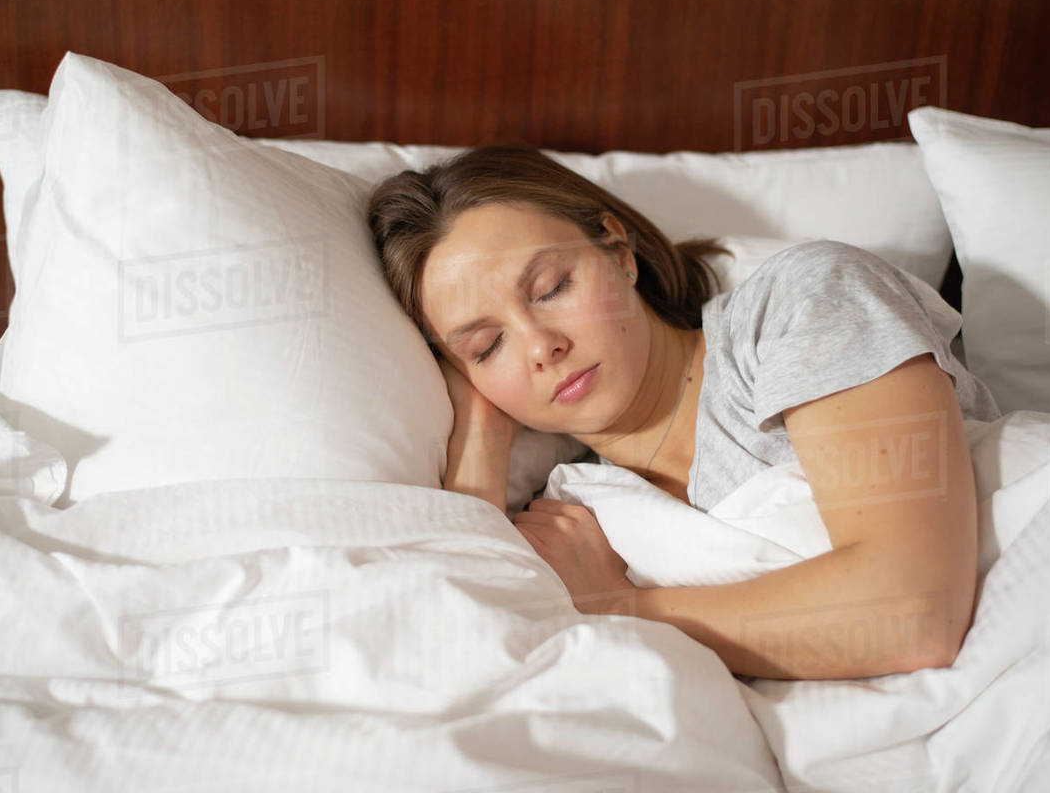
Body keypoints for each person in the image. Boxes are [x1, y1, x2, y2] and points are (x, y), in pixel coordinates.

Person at [366, 143, 1001, 682]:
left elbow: (915, 612)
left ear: (618, 250)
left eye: (552, 287)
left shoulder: (798, 305)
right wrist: (482, 433)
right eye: (487, 345)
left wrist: (622, 605)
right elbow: (450, 649)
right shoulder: (576, 516)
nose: (541, 347)